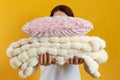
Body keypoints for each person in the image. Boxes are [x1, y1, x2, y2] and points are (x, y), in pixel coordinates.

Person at [39, 5, 84, 80]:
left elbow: (92, 57)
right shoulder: (41, 39)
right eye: (56, 20)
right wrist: (38, 59)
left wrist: (83, 56)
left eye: (64, 20)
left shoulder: (79, 39)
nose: (60, 24)